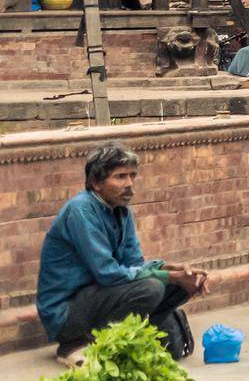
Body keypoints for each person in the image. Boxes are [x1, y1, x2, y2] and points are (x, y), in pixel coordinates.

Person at [35, 143, 207, 367]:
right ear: (96, 183)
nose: (129, 184)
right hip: (66, 310)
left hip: (99, 295)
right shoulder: (81, 211)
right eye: (120, 177)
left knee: (179, 284)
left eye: (132, 176)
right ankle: (78, 343)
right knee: (152, 287)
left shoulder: (121, 210)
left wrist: (171, 270)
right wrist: (165, 276)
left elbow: (134, 263)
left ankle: (133, 334)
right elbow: (107, 273)